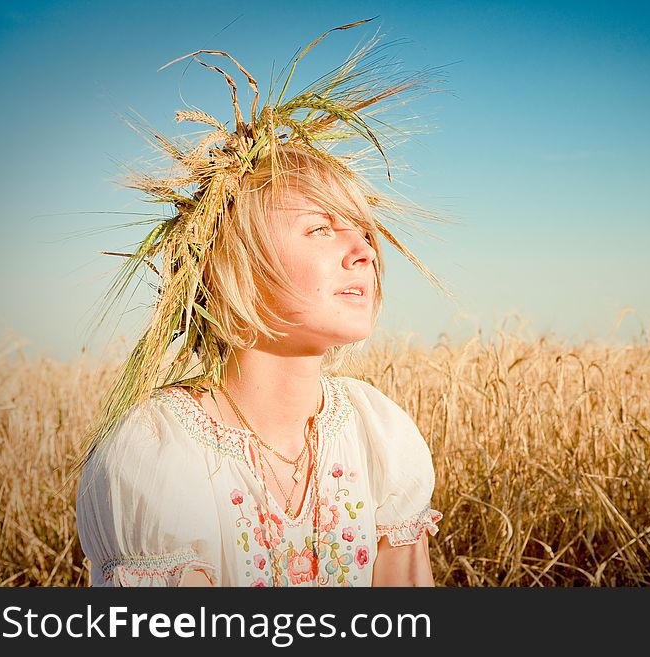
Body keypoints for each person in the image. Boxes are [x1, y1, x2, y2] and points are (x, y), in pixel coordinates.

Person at [74, 20, 448, 587]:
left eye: (365, 233)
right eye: (321, 229)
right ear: (236, 266)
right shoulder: (157, 453)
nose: (363, 253)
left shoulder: (379, 436)